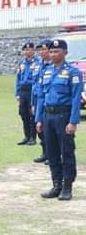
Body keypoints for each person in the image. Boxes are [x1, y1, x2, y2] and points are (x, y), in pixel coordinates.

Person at [36, 39, 83, 201]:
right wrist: (39, 119)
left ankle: (67, 187)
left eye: (57, 51)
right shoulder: (46, 71)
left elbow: (76, 98)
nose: (53, 54)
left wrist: (73, 121)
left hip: (64, 116)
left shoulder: (73, 72)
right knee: (52, 152)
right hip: (48, 116)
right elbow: (41, 96)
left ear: (65, 53)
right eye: (51, 51)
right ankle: (56, 185)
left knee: (67, 152)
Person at [15, 42, 40, 146]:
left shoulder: (38, 63)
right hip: (23, 91)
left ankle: (33, 137)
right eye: (25, 50)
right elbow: (18, 78)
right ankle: (26, 136)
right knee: (23, 113)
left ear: (33, 51)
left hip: (31, 90)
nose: (27, 51)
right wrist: (17, 93)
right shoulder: (22, 63)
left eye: (29, 49)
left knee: (32, 114)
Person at [32, 40, 52, 164]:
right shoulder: (39, 65)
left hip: (49, 102)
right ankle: (45, 152)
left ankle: (52, 155)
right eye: (40, 50)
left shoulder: (53, 66)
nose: (41, 52)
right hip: (38, 101)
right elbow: (35, 85)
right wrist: (33, 103)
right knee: (40, 129)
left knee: (50, 131)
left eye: (44, 49)